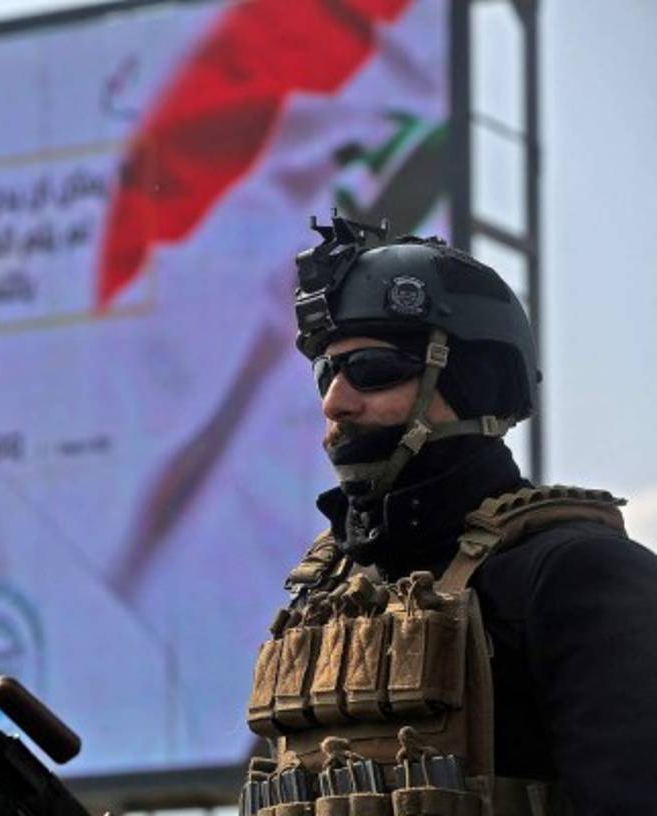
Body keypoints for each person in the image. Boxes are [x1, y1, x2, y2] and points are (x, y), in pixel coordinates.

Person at [243, 214, 657, 815]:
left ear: (471, 382)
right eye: (326, 373)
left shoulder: (573, 573)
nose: (337, 401)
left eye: (373, 371)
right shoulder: (325, 595)